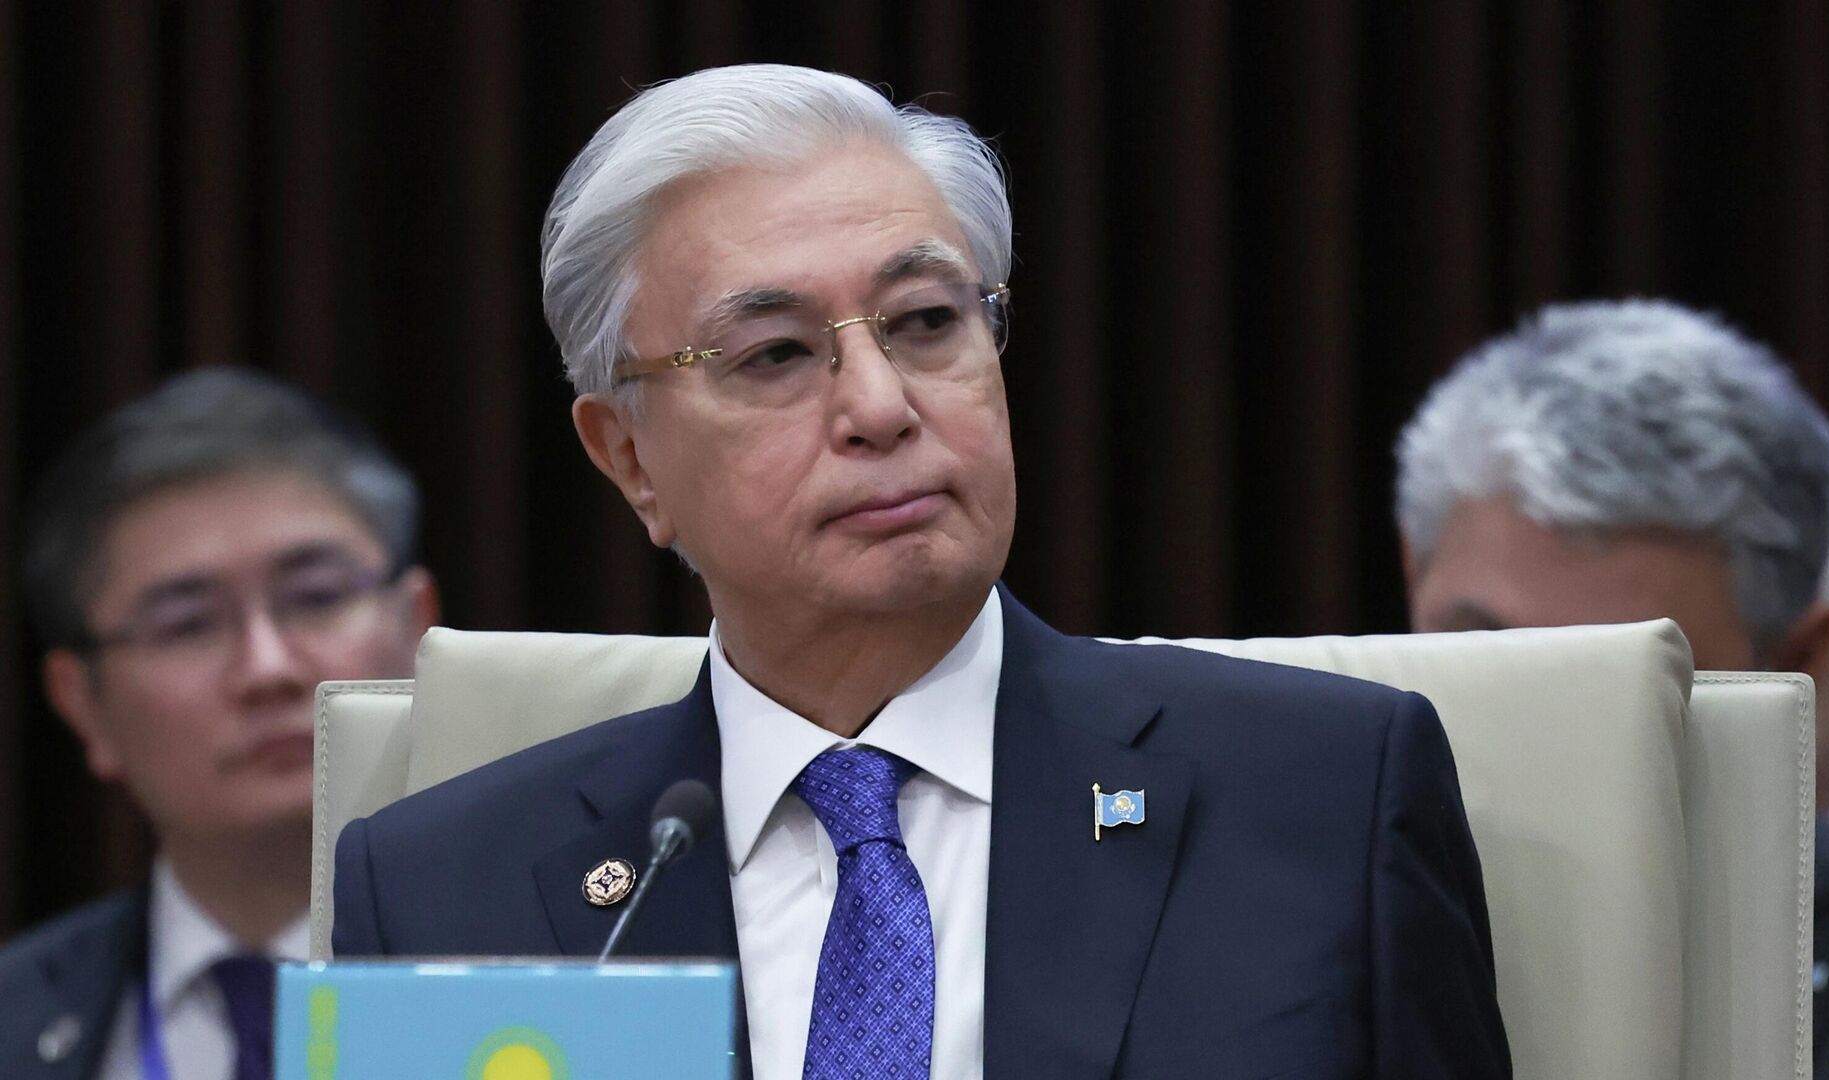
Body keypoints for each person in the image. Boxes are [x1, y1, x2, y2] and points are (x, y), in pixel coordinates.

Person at [330, 63, 1510, 1078]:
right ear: (630, 458)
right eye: (775, 353)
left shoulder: (1322, 792)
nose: (881, 406)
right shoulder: (443, 893)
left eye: (927, 322)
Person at [1396, 299, 1829, 1079]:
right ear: (1413, 573)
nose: (1538, 736)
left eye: (1622, 679)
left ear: (1803, 666)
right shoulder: (1278, 931)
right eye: (1484, 651)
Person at [0, 369, 438, 1079]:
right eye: (187, 624)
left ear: (418, 628)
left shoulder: (577, 964)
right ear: (82, 704)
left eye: (316, 596)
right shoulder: (15, 1020)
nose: (267, 669)